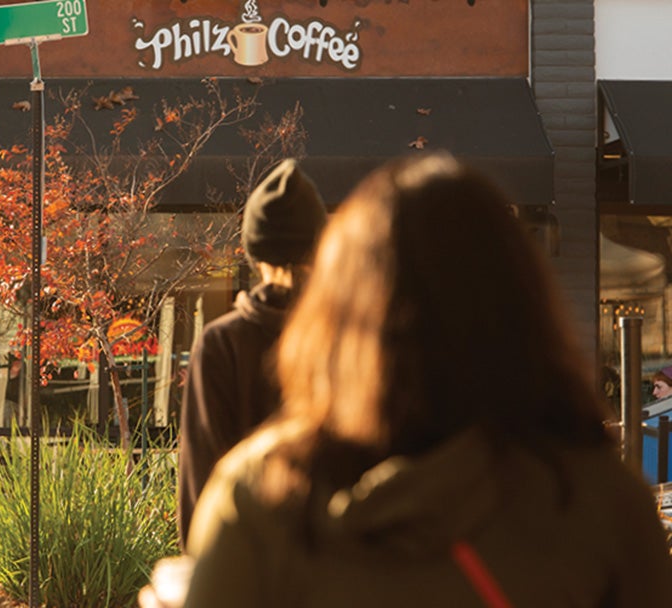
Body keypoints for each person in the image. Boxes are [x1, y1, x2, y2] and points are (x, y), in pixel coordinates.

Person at [144, 153, 672, 607]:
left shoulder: (263, 500)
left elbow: (201, 496)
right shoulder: (605, 507)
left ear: (350, 320)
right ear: (526, 306)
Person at [177, 158, 327, 549]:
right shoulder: (350, 340)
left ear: (255, 256)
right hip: (339, 568)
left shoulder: (221, 344)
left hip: (244, 563)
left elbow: (201, 486)